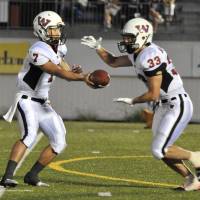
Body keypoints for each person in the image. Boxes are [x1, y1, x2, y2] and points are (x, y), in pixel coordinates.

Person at [81, 17, 200, 191]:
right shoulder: (138, 52)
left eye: (129, 37)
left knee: (159, 149)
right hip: (163, 105)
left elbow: (153, 94)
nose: (125, 41)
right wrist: (98, 48)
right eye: (125, 37)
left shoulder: (150, 56)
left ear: (143, 36)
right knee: (161, 150)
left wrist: (133, 100)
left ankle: (195, 156)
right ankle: (192, 179)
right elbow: (113, 62)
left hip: (176, 104)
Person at [0, 10, 93, 188]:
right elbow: (57, 71)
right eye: (52, 29)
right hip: (27, 99)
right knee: (29, 136)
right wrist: (82, 77)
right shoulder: (37, 50)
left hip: (43, 101)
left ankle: (32, 175)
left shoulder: (59, 47)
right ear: (41, 31)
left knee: (59, 140)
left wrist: (75, 72)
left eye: (58, 28)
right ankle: (7, 176)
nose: (57, 33)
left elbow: (62, 65)